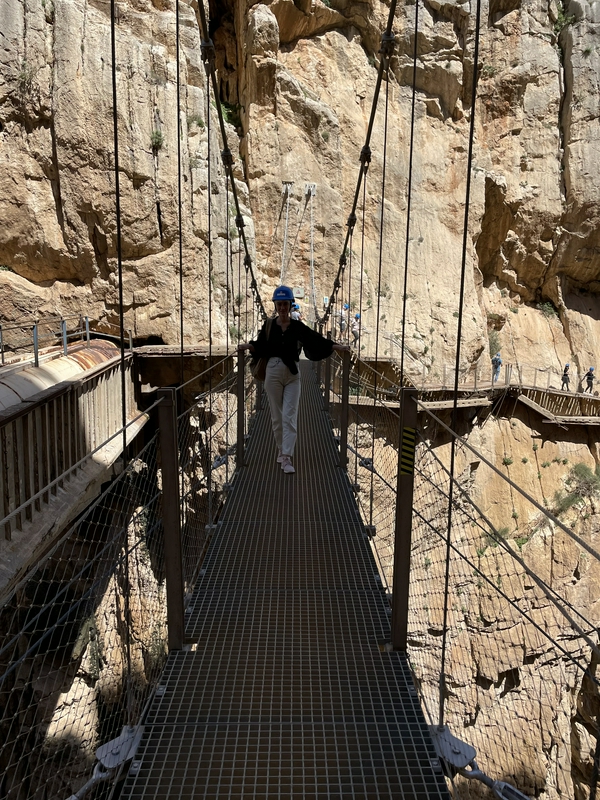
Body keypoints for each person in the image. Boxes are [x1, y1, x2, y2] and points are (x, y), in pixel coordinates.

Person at [238, 286, 349, 474]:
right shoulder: (269, 325)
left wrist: (335, 346)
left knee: (289, 415)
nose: (282, 307)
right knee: (276, 416)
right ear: (275, 305)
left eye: (285, 304)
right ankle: (281, 450)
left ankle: (287, 456)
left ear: (290, 305)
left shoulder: (297, 327)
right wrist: (249, 346)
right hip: (272, 372)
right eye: (279, 304)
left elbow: (314, 339)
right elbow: (262, 345)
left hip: (293, 374)